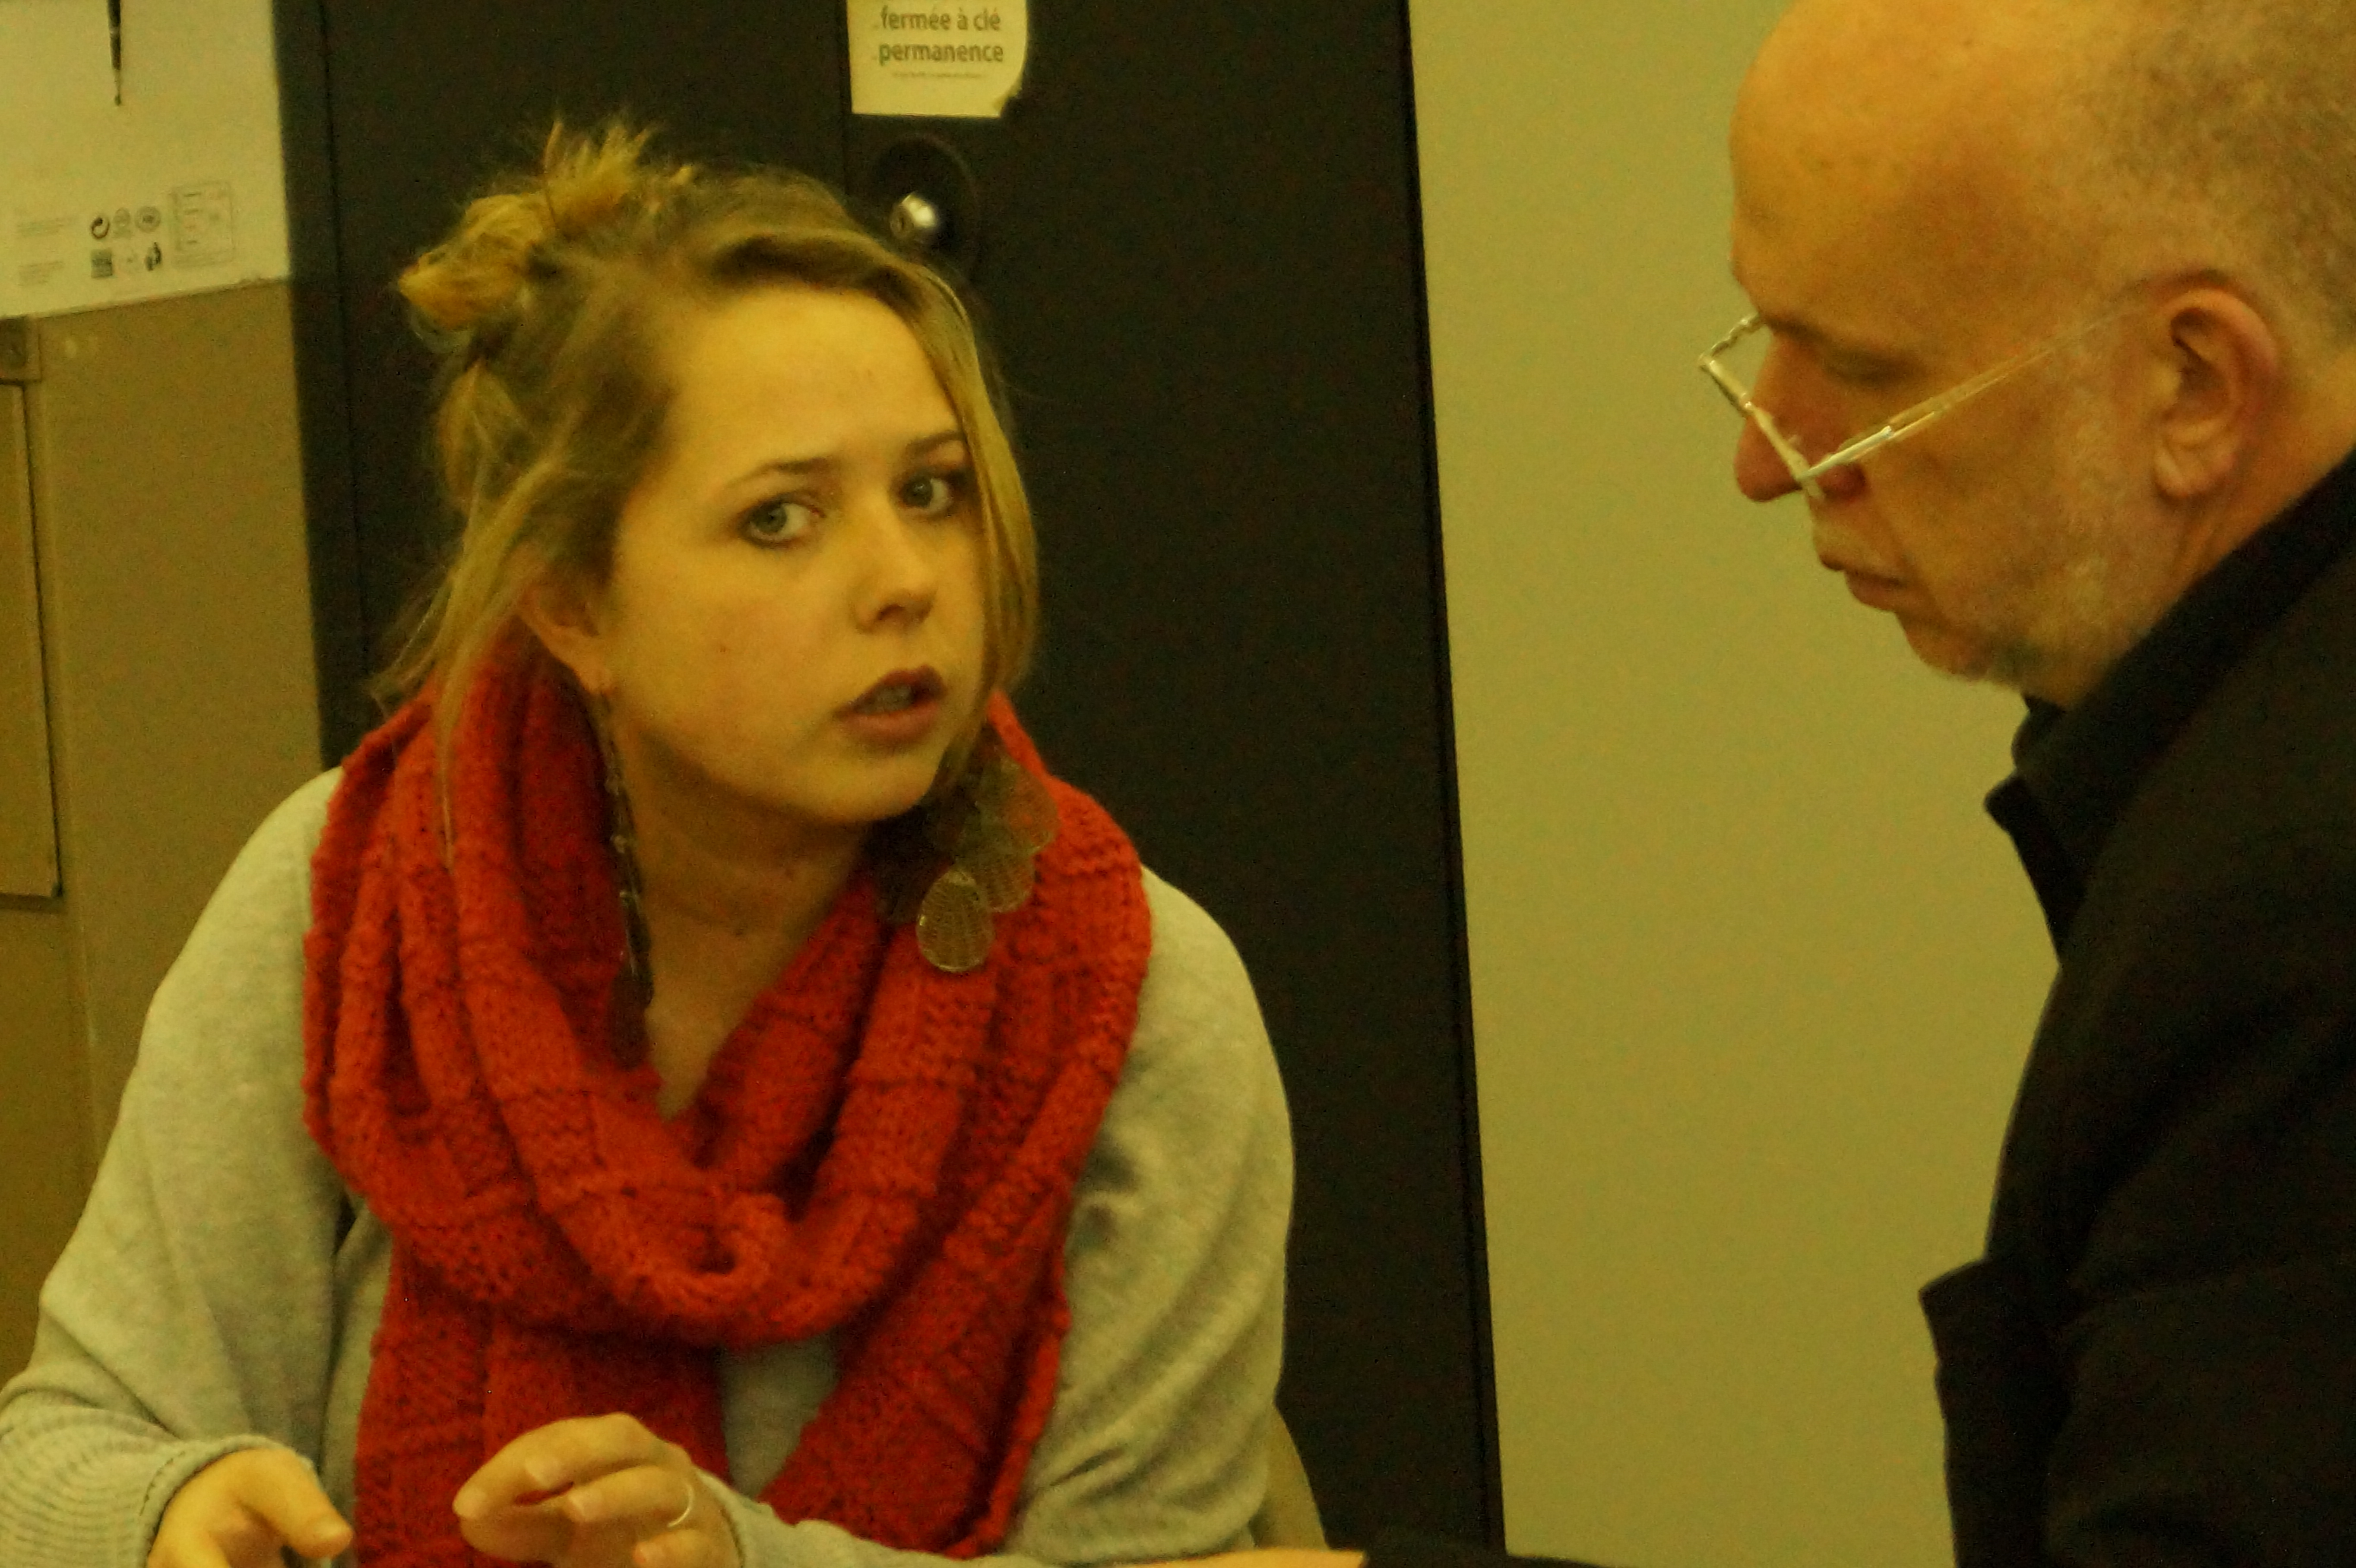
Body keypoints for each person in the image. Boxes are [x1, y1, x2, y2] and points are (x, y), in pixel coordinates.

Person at [0, 123, 1293, 1568]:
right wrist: (162, 1511)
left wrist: (740, 1559)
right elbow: (62, 1448)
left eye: (931, 490)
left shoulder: (1136, 998)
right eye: (782, 519)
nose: (905, 580)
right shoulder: (356, 896)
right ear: (575, 609)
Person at [1183, 0, 2356, 1565]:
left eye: (1861, 369)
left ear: (2194, 385)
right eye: (1770, 338)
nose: (1768, 457)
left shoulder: (2298, 924)